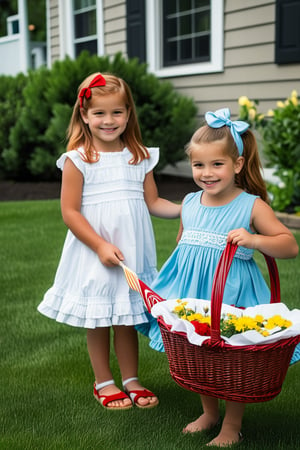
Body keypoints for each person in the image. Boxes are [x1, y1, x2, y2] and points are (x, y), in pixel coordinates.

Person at [141, 108, 299, 446]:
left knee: (232, 356)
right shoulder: (190, 202)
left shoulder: (251, 206)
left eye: (217, 164)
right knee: (201, 353)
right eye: (199, 165)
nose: (207, 173)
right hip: (195, 292)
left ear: (238, 165)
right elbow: (184, 247)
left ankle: (232, 425)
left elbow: (289, 245)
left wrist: (255, 240)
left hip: (233, 294)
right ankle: (209, 412)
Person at [37, 72, 181, 410]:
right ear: (84, 115)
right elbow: (70, 212)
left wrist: (188, 209)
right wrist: (100, 245)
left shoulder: (140, 156)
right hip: (94, 252)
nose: (108, 120)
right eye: (99, 113)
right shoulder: (78, 159)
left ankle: (131, 378)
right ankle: (103, 380)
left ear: (128, 114)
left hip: (130, 253)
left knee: (127, 316)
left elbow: (154, 202)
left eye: (117, 112)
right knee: (100, 316)